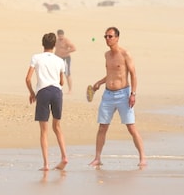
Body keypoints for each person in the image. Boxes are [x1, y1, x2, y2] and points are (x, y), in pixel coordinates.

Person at [88, 26, 147, 167]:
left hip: (123, 94)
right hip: (108, 94)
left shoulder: (125, 54)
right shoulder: (106, 55)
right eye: (106, 37)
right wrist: (99, 82)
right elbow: (110, 73)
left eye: (110, 36)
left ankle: (143, 158)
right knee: (102, 127)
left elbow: (133, 74)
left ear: (117, 38)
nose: (107, 39)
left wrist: (133, 94)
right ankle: (97, 158)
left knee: (131, 127)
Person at [25, 32, 68, 171]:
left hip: (43, 92)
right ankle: (64, 156)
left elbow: (27, 78)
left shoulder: (36, 57)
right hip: (56, 92)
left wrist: (32, 93)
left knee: (44, 131)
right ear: (54, 45)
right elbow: (62, 81)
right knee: (57, 127)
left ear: (43, 44)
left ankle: (46, 165)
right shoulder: (60, 60)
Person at [54, 29, 77, 93]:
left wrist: (66, 51)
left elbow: (74, 48)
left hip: (66, 58)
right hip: (58, 59)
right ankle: (57, 88)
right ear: (58, 35)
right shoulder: (56, 41)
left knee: (67, 74)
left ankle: (70, 90)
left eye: (62, 36)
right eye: (59, 36)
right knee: (57, 73)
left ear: (63, 35)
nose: (61, 37)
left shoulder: (66, 41)